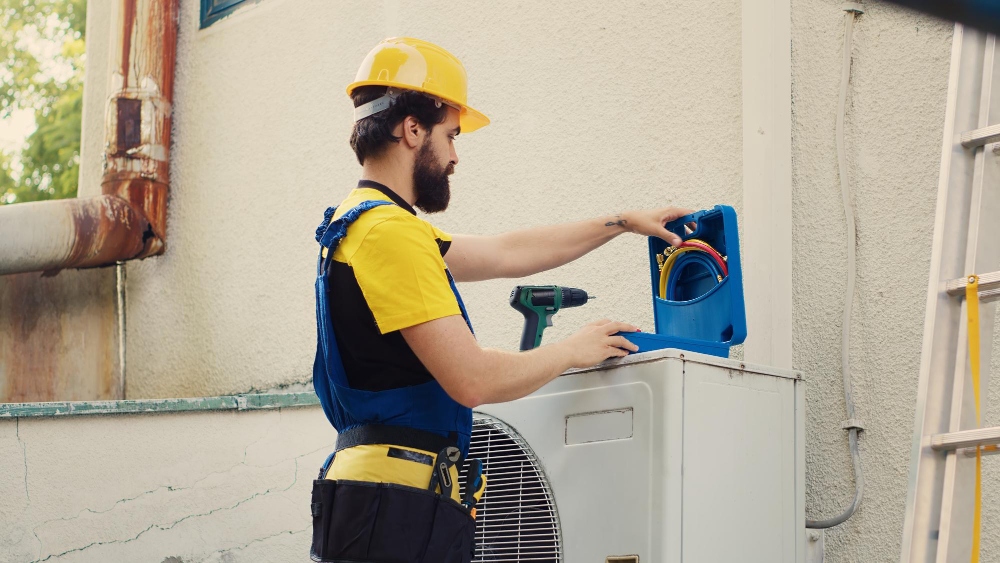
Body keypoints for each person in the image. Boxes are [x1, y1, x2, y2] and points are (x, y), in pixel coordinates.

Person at [310, 37, 693, 563]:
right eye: (451, 135)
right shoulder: (389, 236)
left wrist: (621, 223)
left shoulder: (361, 225)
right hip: (396, 511)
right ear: (412, 128)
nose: (454, 157)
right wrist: (572, 349)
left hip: (376, 500)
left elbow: (507, 252)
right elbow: (473, 380)